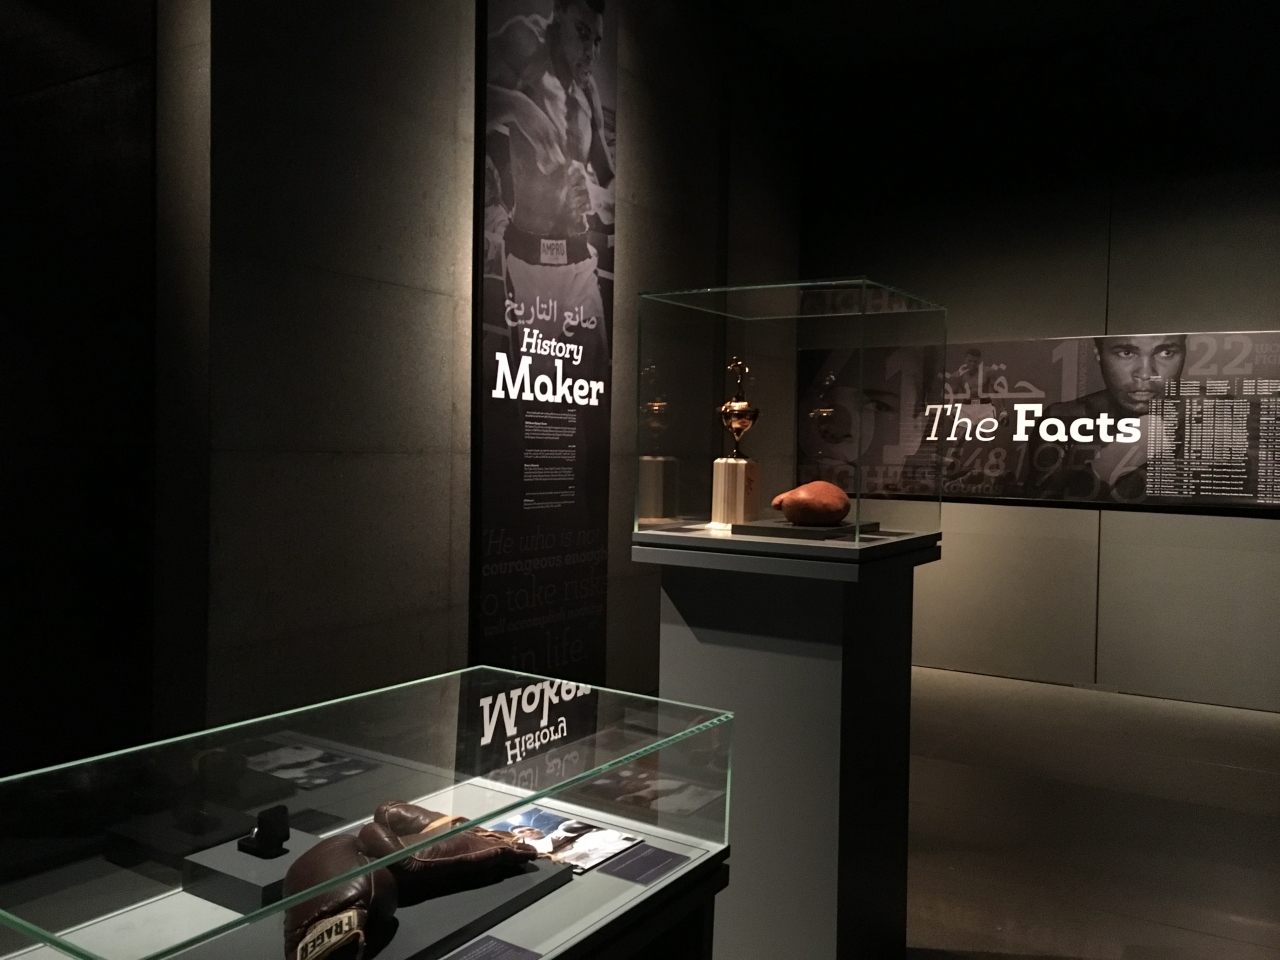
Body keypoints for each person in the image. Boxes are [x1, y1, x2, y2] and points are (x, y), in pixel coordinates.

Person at [487, 0, 614, 353]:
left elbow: (612, 185)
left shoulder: (587, 91)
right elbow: (463, 92)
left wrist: (595, 194)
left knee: (595, 375)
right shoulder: (523, 42)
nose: (590, 52)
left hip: (579, 259)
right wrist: (519, 108)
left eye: (597, 42)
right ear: (559, 13)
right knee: (532, 383)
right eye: (582, 34)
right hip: (528, 261)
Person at [1031, 334, 1186, 500]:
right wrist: (1118, 455)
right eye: (1126, 353)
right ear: (1098, 353)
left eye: (1166, 353)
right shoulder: (1063, 419)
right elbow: (1043, 509)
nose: (1145, 373)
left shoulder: (1204, 413)